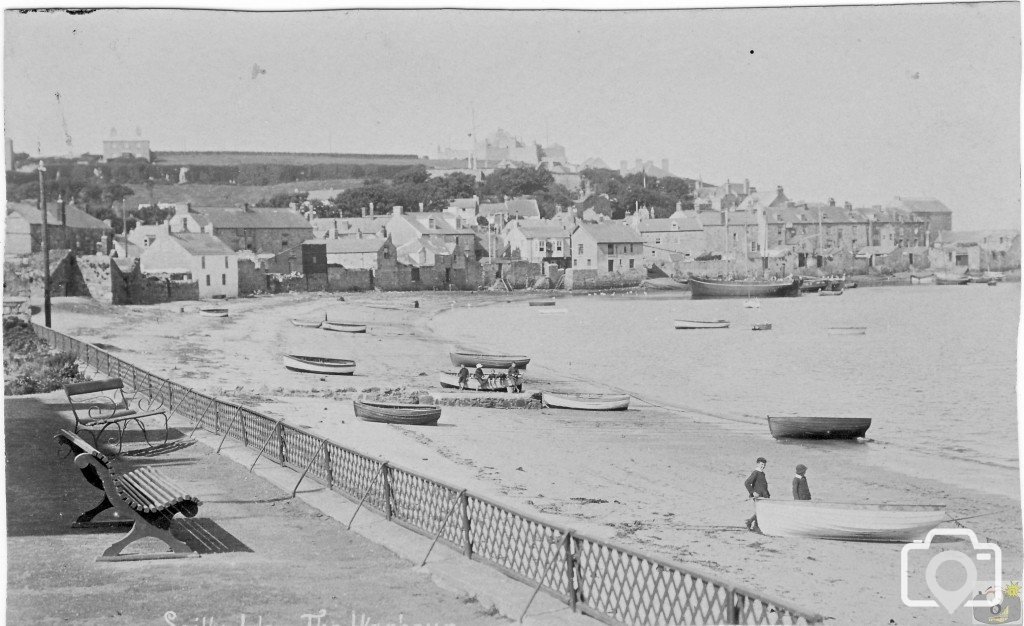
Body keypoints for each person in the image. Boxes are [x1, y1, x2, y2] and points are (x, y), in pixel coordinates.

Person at [743, 457, 770, 532]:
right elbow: (747, 483)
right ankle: (753, 525)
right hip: (757, 496)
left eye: (764, 464)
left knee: (761, 511)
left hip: (763, 496)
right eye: (761, 464)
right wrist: (753, 492)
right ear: (757, 464)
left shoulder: (762, 473)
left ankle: (751, 523)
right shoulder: (756, 472)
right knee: (760, 511)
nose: (763, 466)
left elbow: (763, 485)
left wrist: (767, 495)